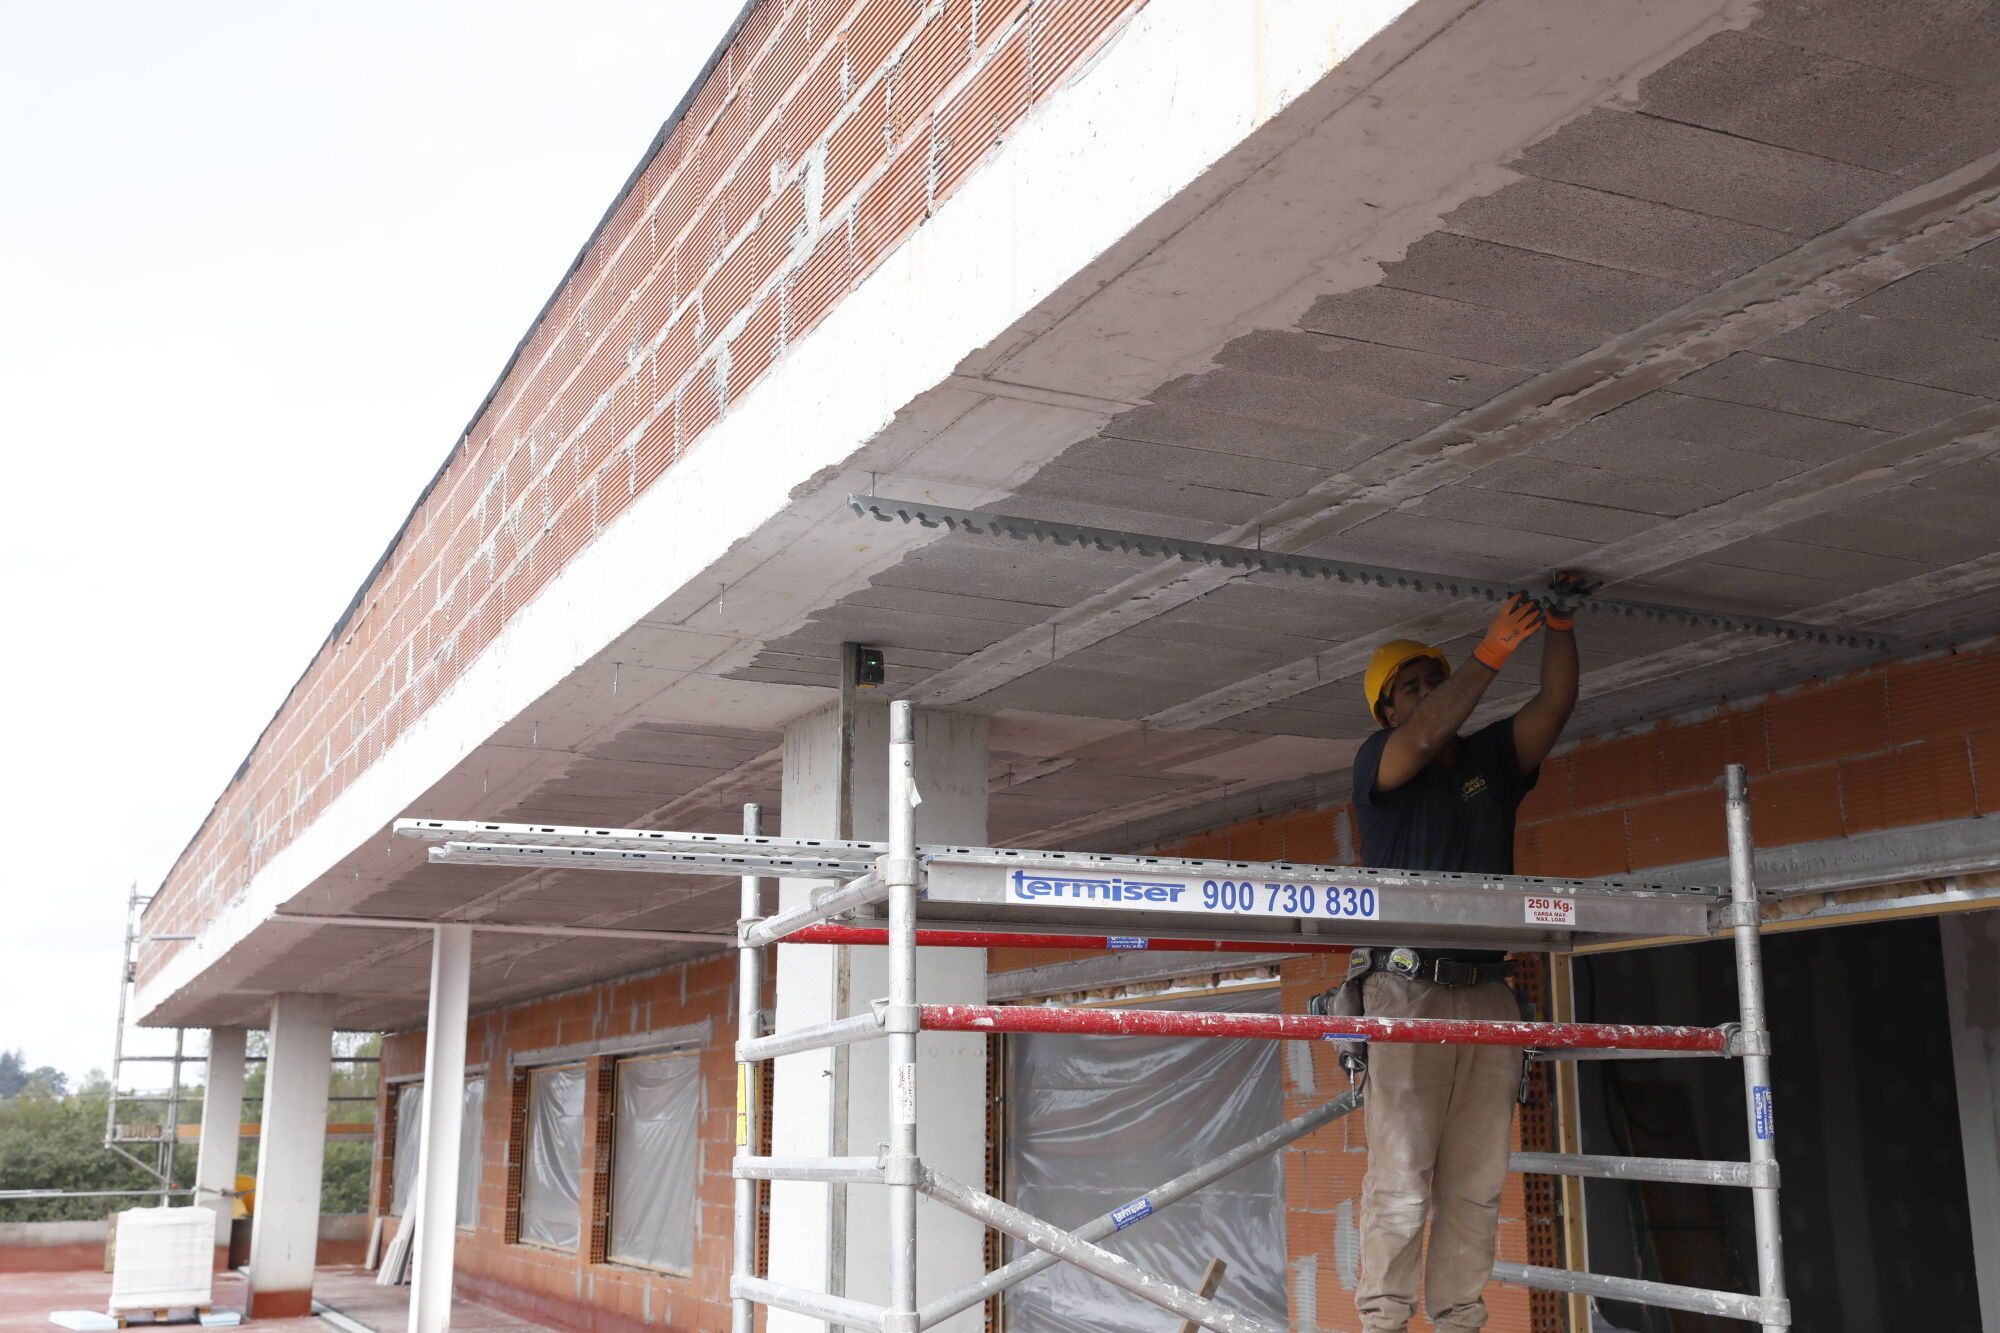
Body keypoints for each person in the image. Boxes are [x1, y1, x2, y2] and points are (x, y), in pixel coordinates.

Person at [1346, 580, 1583, 1332]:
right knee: (1403, 1181)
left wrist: (1561, 624)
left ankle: (1457, 1320)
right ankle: (1383, 1322)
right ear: (1386, 712)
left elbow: (1555, 703)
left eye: (1434, 680)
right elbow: (1418, 741)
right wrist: (1490, 650)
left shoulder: (1488, 759)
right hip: (1407, 988)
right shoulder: (1381, 763)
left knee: (1477, 1183)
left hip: (1486, 991)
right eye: (1409, 688)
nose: (1425, 695)